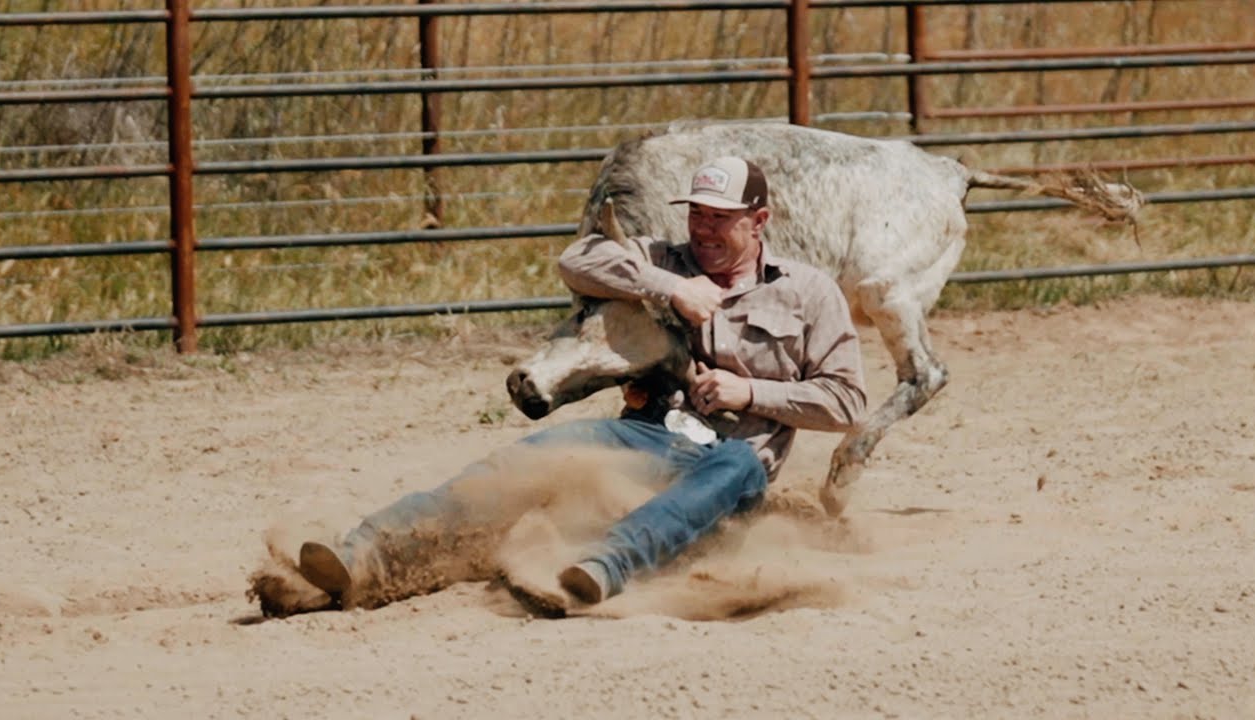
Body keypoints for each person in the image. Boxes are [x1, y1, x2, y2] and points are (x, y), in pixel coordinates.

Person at [297, 156, 867, 613]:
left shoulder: (808, 293)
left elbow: (847, 401)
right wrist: (670, 287)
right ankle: (364, 552)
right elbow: (579, 259)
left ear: (758, 221)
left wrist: (752, 394)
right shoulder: (664, 259)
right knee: (522, 464)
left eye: (720, 217)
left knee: (739, 464)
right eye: (697, 214)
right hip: (644, 435)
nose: (704, 229)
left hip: (731, 463)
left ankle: (605, 565)